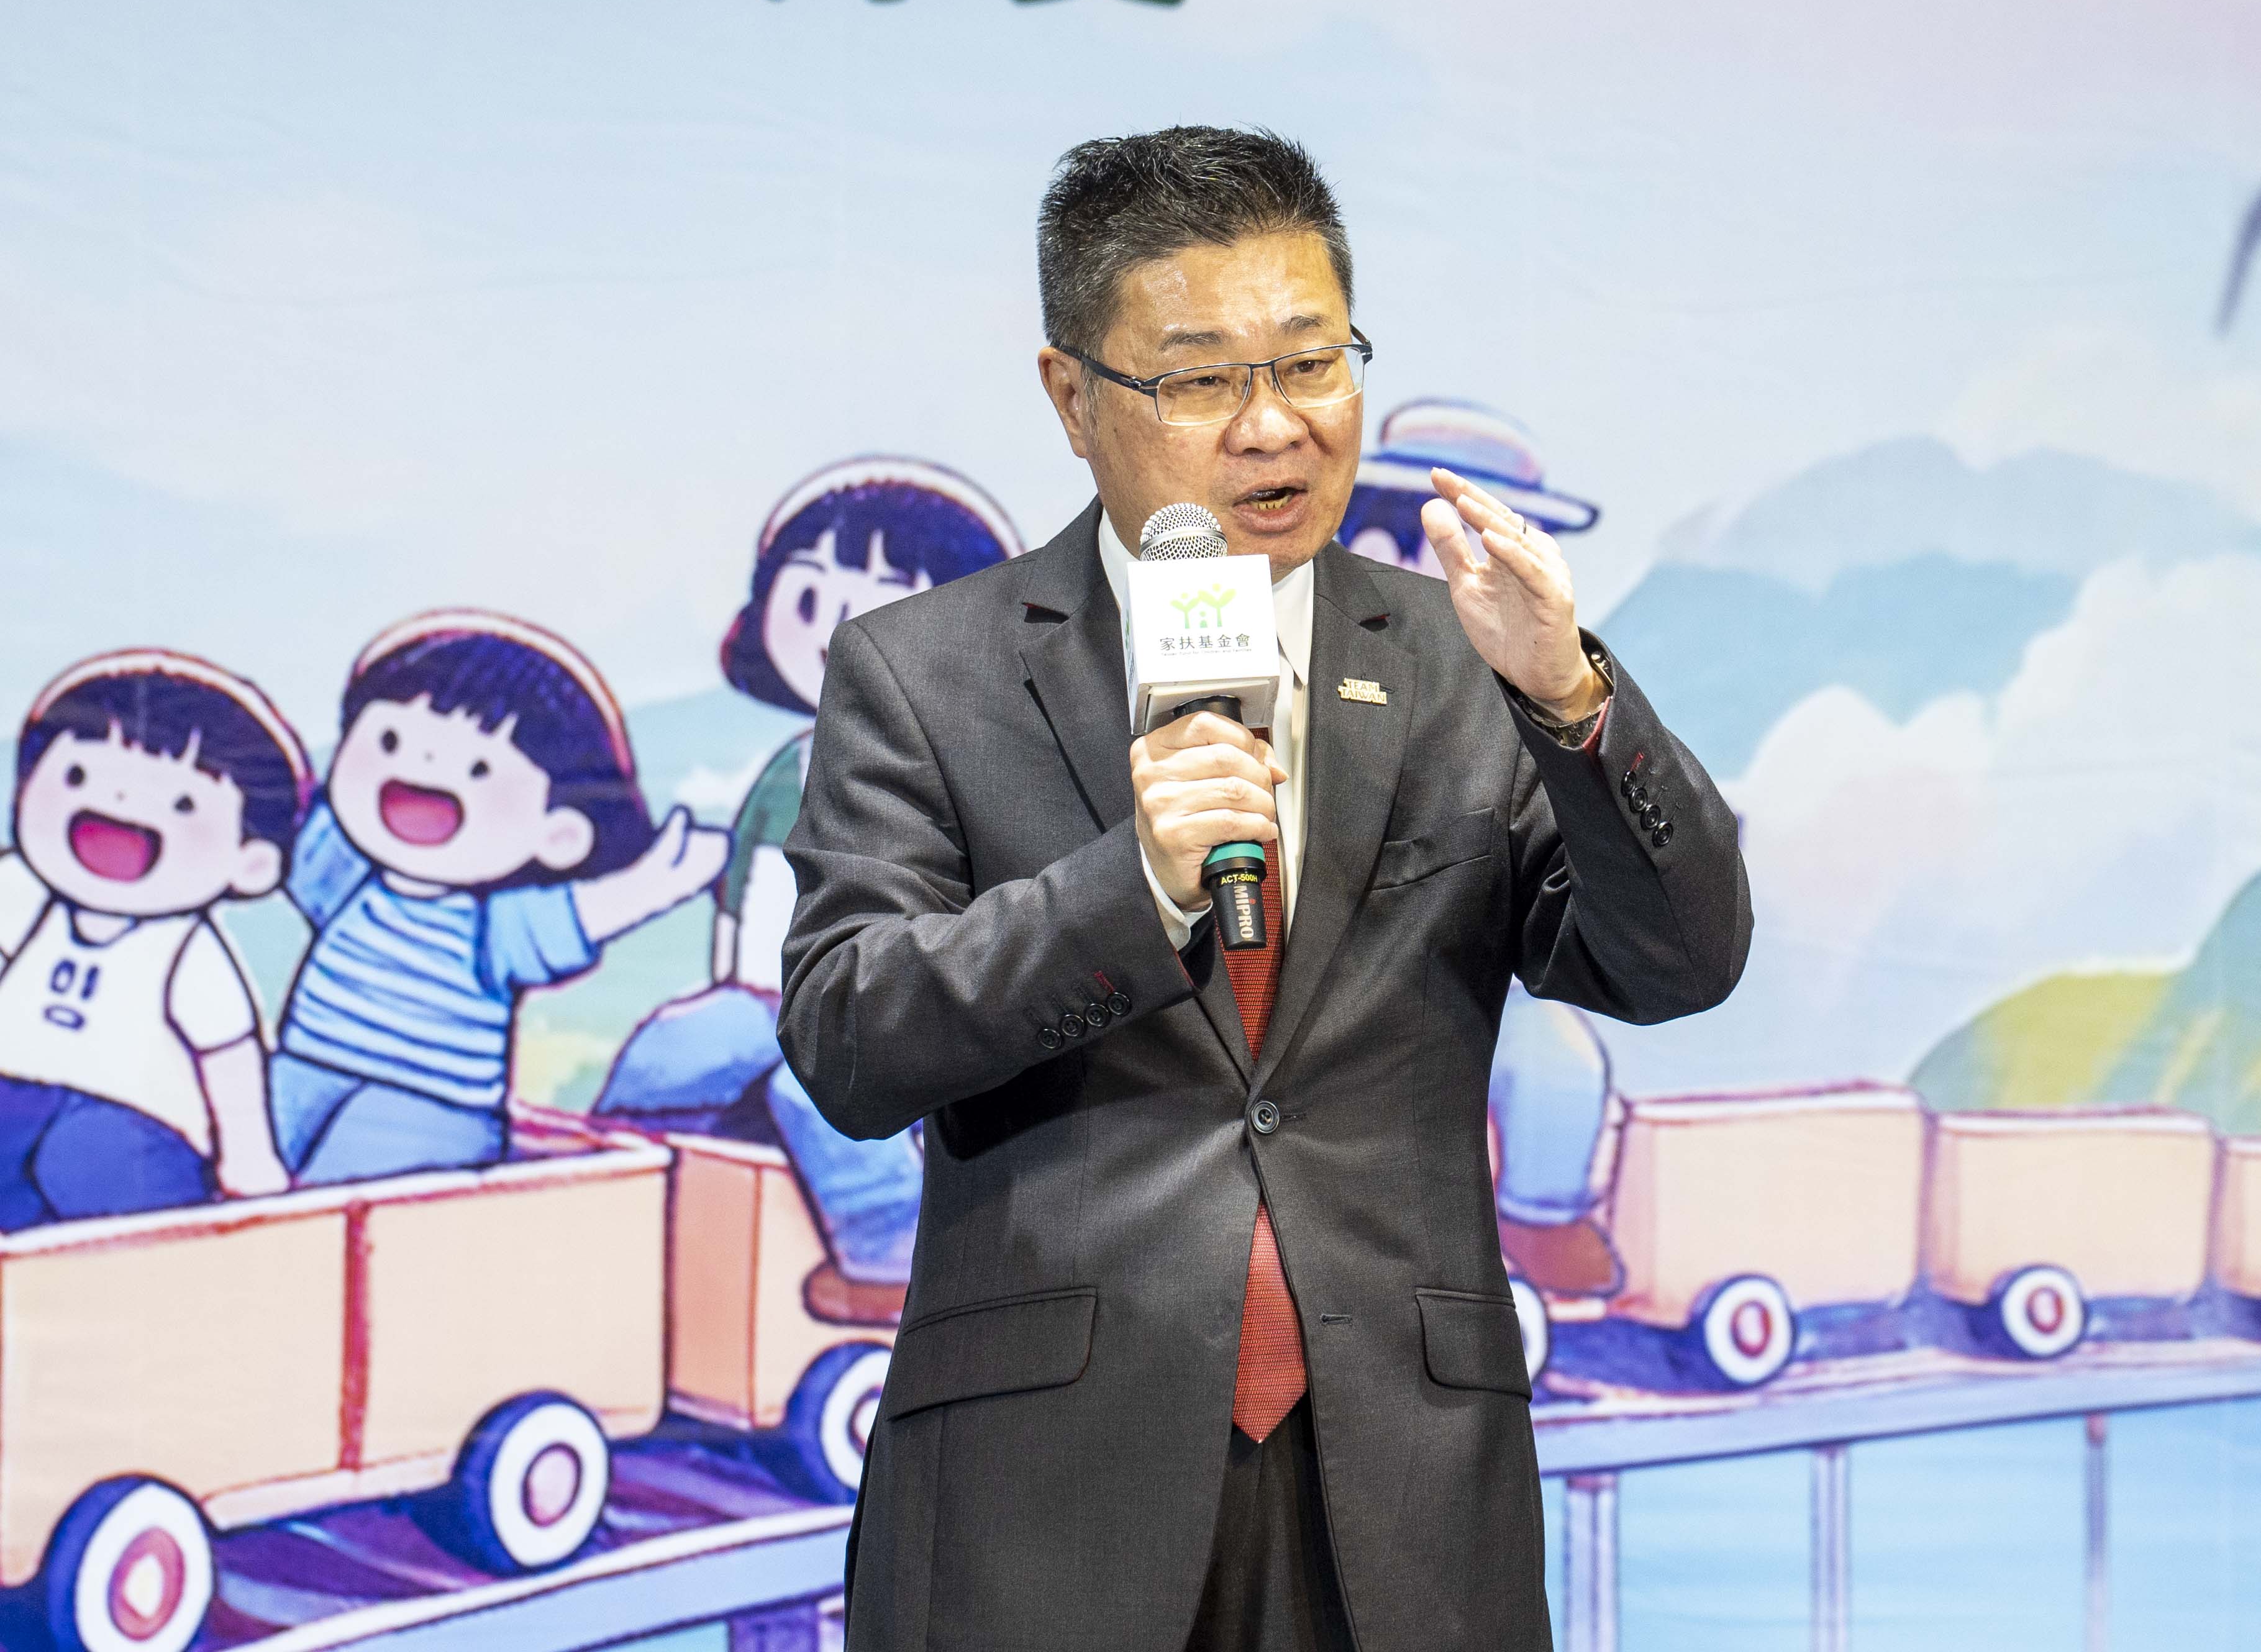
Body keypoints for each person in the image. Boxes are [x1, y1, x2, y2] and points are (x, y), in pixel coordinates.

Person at [778, 127, 1752, 1651]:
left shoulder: (1464, 661)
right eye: (1199, 380)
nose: (1271, 426)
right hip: (1044, 1494)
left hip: (1402, 1496)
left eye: (1310, 364)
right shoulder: (925, 671)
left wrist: (1572, 699)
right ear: (1072, 398)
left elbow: (1679, 958)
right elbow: (850, 1033)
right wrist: (1133, 886)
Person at [595, 457, 1021, 1324]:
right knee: (668, 1048)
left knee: (818, 1084)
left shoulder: (971, 769)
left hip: (897, 998)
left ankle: (886, 1252)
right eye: (810, 598)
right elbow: (745, 899)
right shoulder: (789, 770)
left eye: (880, 605)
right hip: (768, 996)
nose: (836, 630)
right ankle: (620, 1190)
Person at [271, 610, 727, 1183]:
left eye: (479, 768)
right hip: (302, 1069)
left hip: (428, 1101)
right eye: (389, 741)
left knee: (337, 1193)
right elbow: (271, 821)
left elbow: (582, 916)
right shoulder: (344, 876)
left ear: (558, 836)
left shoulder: (494, 929)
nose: (422, 763)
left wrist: (657, 882)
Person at [1346, 399, 1627, 1295]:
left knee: (1560, 1063)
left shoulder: (1528, 685)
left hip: (1467, 966)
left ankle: (1545, 1225)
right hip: (1315, 972)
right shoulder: (1297, 655)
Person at [0, 651, 307, 1223]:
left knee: (85, 1155)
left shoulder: (188, 953)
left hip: (133, 1121)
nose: (117, 803)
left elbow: (228, 1058)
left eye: (182, 804)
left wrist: (250, 1165)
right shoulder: (24, 892)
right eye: (77, 777)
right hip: (16, 1094)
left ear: (250, 864)